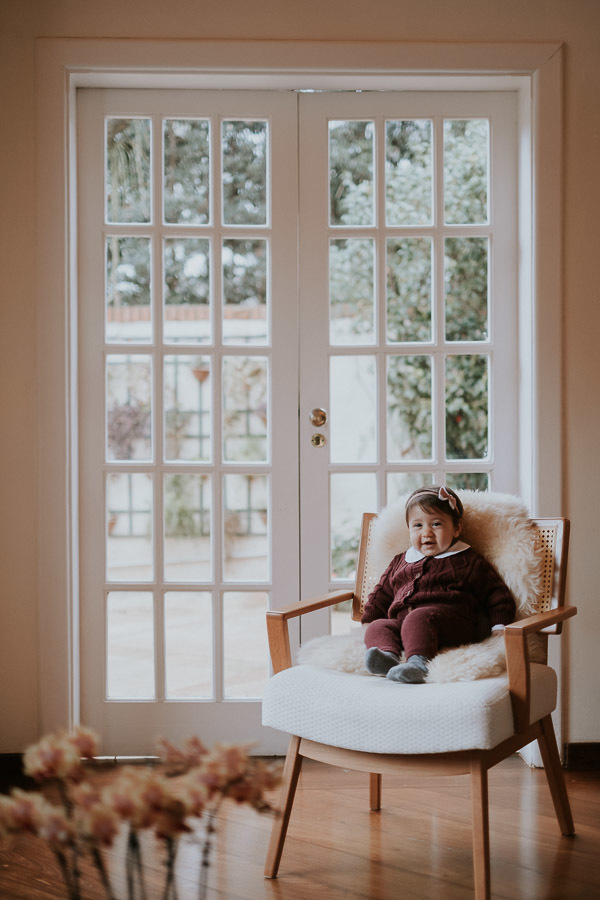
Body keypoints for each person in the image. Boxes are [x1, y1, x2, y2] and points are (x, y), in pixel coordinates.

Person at [361, 485, 516, 683]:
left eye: (436, 524)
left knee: (418, 618)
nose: (426, 533)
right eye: (418, 525)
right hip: (404, 624)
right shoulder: (401, 561)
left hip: (451, 625)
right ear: (409, 529)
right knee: (379, 626)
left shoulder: (468, 560)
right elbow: (381, 593)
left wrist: (499, 625)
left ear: (456, 528)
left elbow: (497, 594)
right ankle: (388, 658)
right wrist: (369, 618)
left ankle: (418, 663)